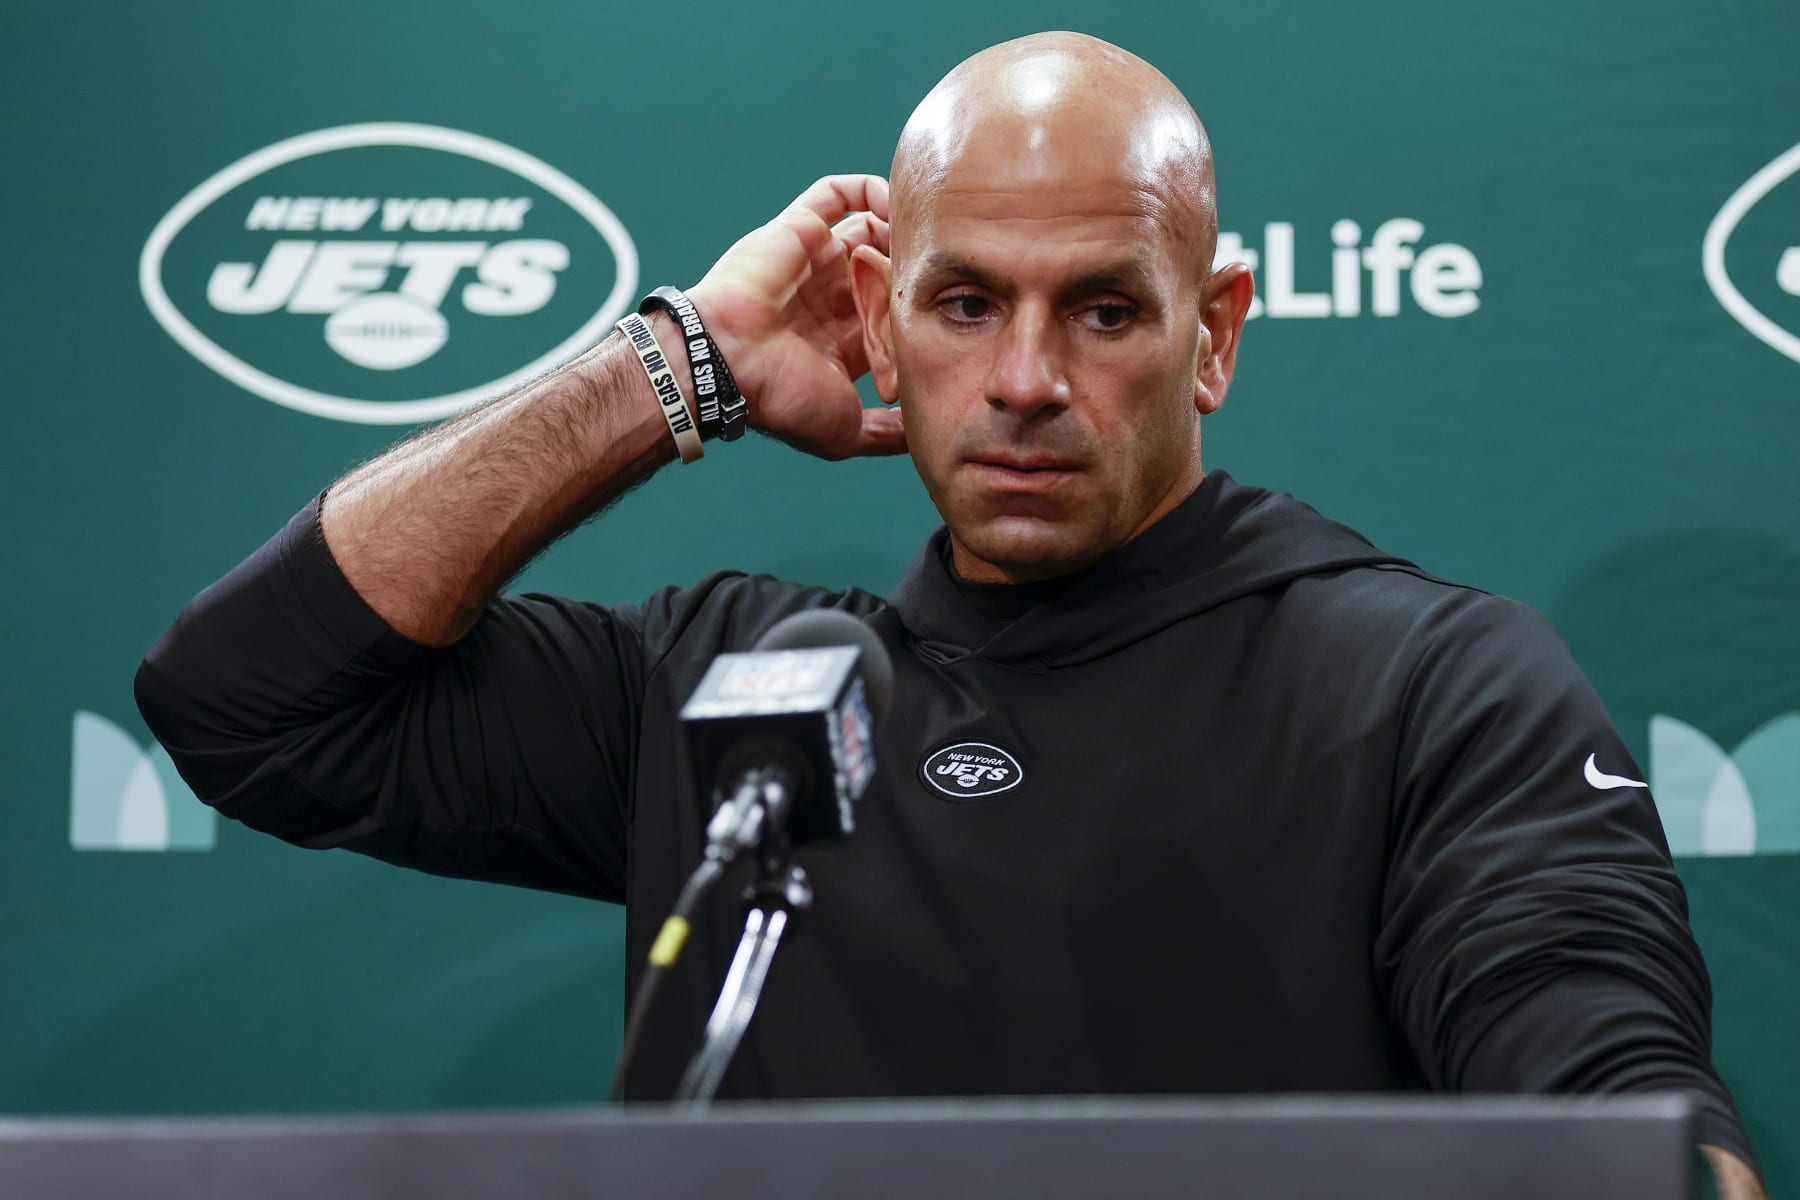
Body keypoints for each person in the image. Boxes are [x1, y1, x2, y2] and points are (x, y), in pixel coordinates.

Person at [135, 31, 1763, 1194]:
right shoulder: (729, 687)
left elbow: (1618, 1101)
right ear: (876, 320)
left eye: (1105, 311)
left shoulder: (1432, 681)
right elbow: (249, 700)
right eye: (966, 302)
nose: (1029, 380)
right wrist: (675, 363)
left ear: (1215, 337)